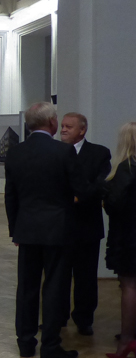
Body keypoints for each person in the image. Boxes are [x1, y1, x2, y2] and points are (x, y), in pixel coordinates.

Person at [5, 102, 88, 358]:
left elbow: (10, 196)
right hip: (58, 229)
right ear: (52, 122)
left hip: (27, 229)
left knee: (26, 287)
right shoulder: (63, 151)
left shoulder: (16, 152)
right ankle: (50, 345)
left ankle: (25, 342)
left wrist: (15, 230)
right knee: (54, 287)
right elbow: (81, 189)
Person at [58, 113, 111, 336]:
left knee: (86, 276)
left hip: (86, 224)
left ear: (82, 130)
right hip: (59, 225)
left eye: (68, 127)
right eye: (62, 126)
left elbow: (101, 184)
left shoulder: (99, 153)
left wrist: (78, 197)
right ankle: (57, 317)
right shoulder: (54, 152)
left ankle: (84, 318)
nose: (63, 130)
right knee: (58, 275)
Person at [103, 122, 136, 358]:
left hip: (129, 235)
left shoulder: (126, 169)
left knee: (129, 286)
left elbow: (115, 204)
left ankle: (126, 340)